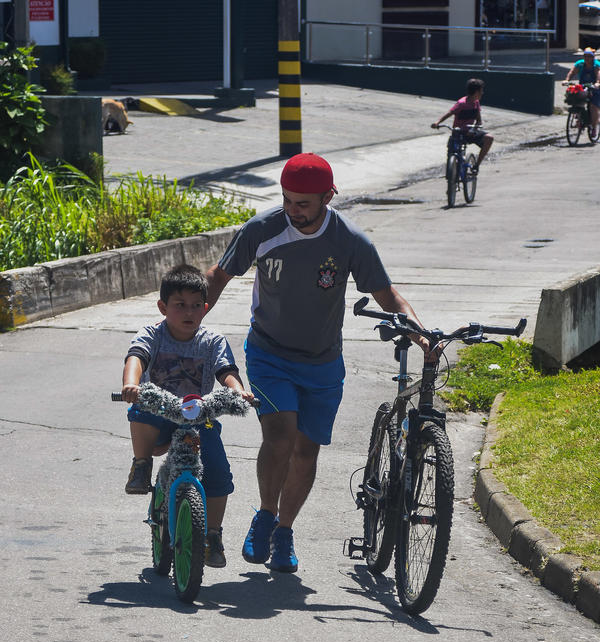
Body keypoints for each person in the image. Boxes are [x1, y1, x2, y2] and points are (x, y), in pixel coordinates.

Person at [204, 152, 431, 574]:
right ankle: (265, 516)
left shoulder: (350, 241)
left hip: (324, 361)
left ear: (329, 196)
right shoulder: (262, 229)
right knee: (279, 435)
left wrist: (421, 333)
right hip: (269, 352)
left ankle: (284, 531)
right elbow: (219, 276)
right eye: (288, 201)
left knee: (306, 451)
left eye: (304, 203)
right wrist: (189, 320)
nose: (294, 211)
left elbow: (388, 294)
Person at [121, 263, 254, 568]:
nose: (188, 312)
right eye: (179, 305)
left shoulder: (212, 340)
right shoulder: (153, 334)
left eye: (196, 306)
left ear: (205, 308)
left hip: (198, 416)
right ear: (163, 306)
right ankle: (141, 465)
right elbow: (136, 357)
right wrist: (131, 383)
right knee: (141, 404)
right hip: (161, 410)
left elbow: (226, 371)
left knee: (218, 473)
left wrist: (238, 391)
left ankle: (213, 536)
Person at [431, 78, 494, 173]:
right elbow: (449, 113)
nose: (482, 93)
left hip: (470, 132)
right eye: (481, 91)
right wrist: (437, 122)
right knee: (452, 150)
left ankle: (476, 165)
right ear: (476, 92)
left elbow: (478, 121)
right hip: (458, 133)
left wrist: (473, 130)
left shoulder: (476, 103)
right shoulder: (461, 103)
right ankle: (451, 173)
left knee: (489, 138)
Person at [564, 48, 600, 138]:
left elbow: (598, 74)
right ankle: (579, 117)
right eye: (585, 56)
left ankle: (594, 127)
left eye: (589, 56)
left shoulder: (596, 65)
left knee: (593, 106)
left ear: (593, 57)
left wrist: (597, 83)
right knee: (576, 100)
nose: (587, 58)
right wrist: (567, 80)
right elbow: (572, 72)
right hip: (583, 86)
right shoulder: (580, 64)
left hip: (594, 88)